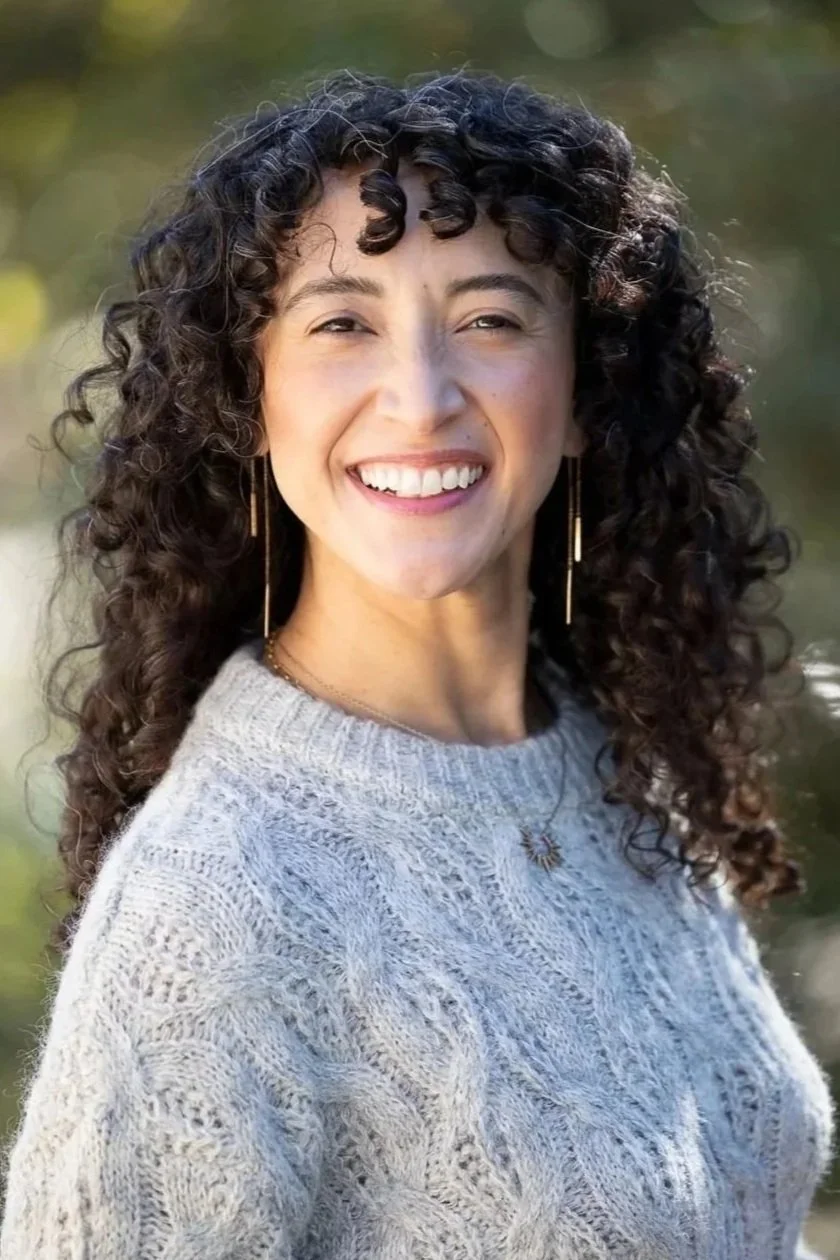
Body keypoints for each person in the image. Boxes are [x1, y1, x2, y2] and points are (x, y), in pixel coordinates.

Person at [0, 67, 834, 1259]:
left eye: (490, 320)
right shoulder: (217, 900)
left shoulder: (615, 767)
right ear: (252, 398)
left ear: (585, 391)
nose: (421, 397)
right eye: (343, 323)